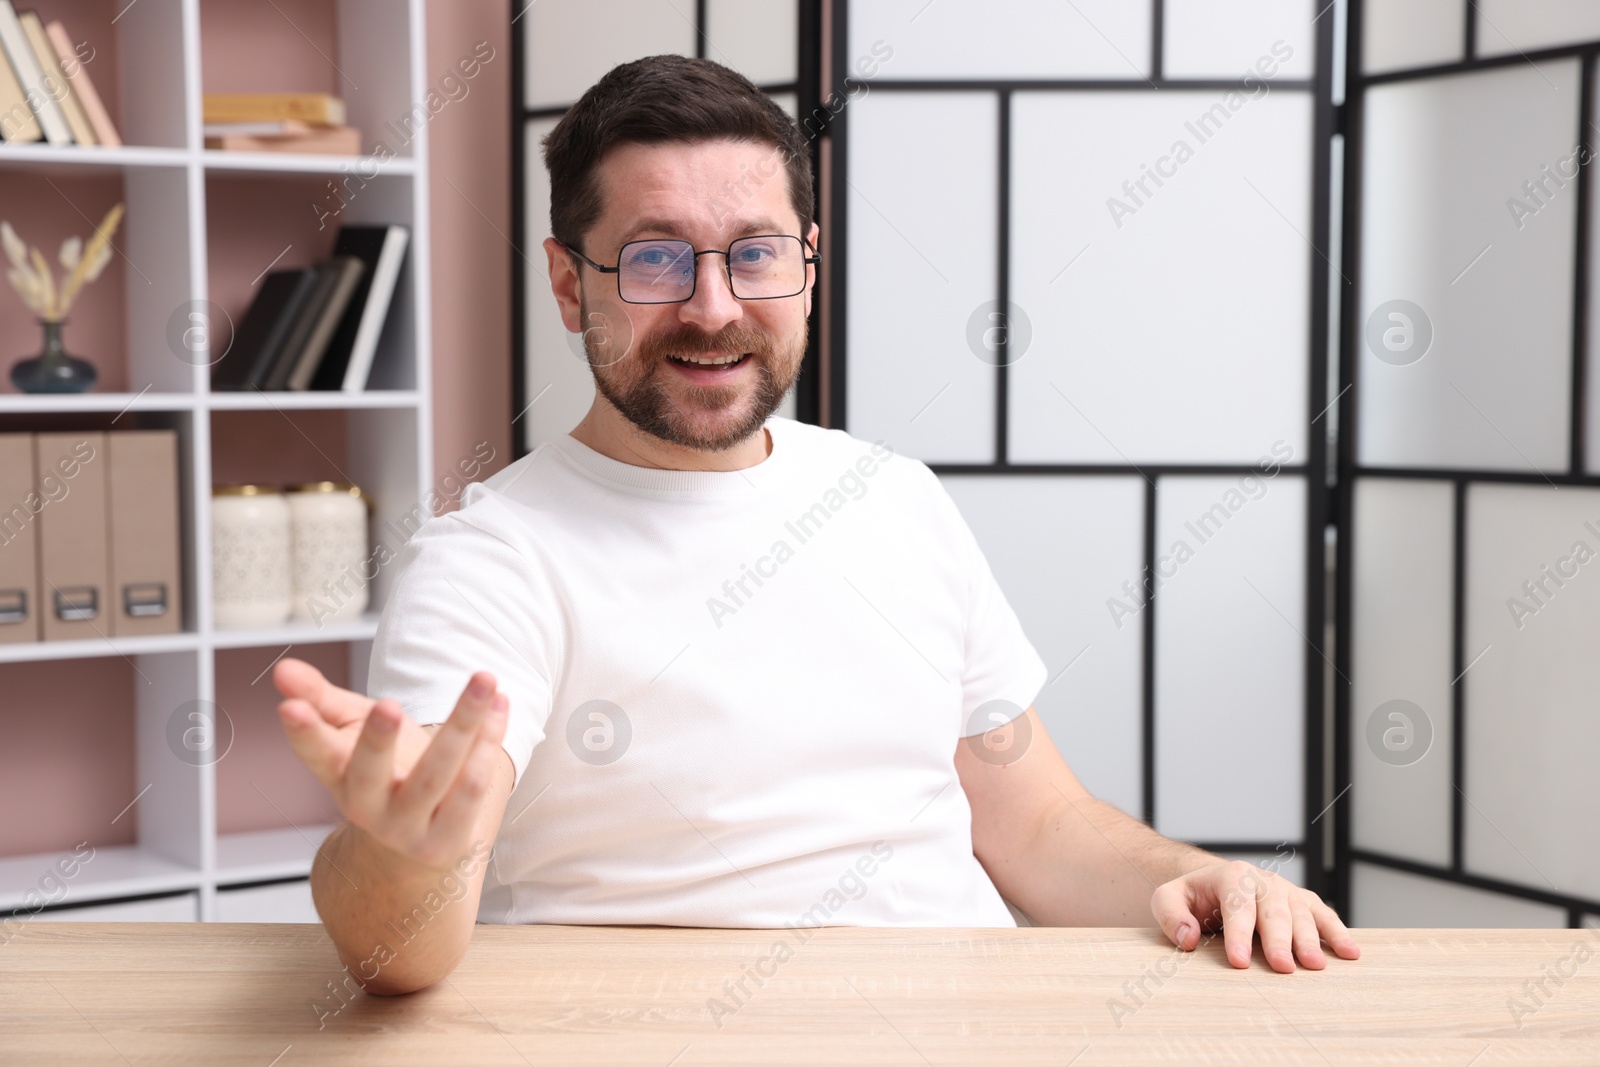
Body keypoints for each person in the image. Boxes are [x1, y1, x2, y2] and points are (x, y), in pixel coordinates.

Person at [273, 54, 1360, 996]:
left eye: (753, 253)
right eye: (655, 259)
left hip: (964, 1029)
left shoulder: (894, 498)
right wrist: (399, 859)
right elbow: (398, 943)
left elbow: (1034, 824)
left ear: (805, 261)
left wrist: (1201, 874)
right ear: (569, 283)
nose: (712, 306)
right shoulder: (494, 559)